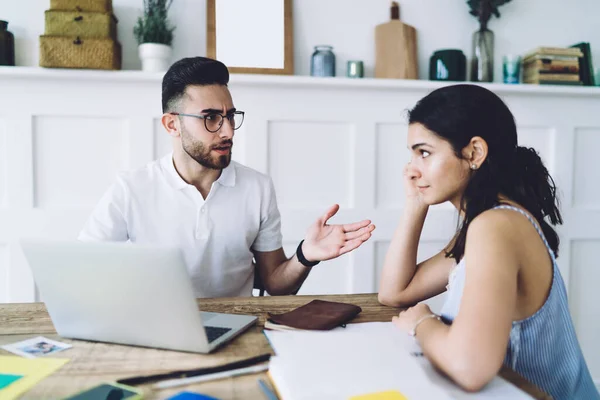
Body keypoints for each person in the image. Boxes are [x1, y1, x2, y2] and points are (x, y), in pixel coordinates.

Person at [79, 57, 375, 298]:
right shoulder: (131, 189)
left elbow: (276, 284)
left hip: (239, 330)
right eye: (210, 118)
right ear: (172, 125)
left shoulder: (257, 188)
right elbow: (84, 271)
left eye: (230, 116)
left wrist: (306, 255)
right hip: (157, 330)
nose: (228, 131)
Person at [378, 84, 598, 399]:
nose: (411, 170)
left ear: (474, 153)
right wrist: (415, 202)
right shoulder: (489, 221)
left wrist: (422, 322)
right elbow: (394, 292)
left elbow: (471, 368)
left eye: (424, 152)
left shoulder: (495, 226)